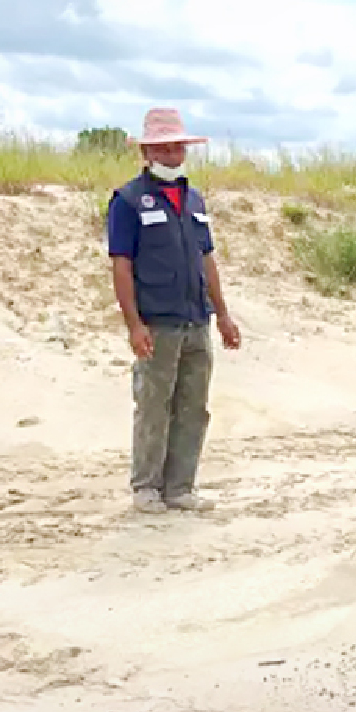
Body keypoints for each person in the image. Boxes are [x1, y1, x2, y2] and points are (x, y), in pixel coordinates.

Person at [106, 107, 242, 514]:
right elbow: (121, 264)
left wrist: (223, 314)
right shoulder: (128, 201)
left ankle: (180, 488)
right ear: (147, 152)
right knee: (153, 405)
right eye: (162, 147)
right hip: (157, 322)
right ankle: (146, 488)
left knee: (193, 407)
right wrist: (134, 324)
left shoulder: (194, 200)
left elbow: (207, 259)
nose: (171, 154)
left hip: (196, 320)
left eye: (177, 146)